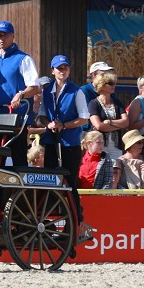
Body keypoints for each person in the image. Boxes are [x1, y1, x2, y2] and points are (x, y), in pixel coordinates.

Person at [35, 55, 90, 234]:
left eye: (65, 67)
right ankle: (47, 218)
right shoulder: (47, 90)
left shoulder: (76, 91)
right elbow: (42, 115)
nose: (62, 70)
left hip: (70, 142)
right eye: (59, 68)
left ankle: (76, 220)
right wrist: (48, 124)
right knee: (51, 180)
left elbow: (84, 118)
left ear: (69, 70)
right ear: (52, 71)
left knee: (70, 181)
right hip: (51, 140)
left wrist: (64, 126)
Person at [0, 20, 40, 166]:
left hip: (16, 118)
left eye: (5, 35)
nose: (1, 39)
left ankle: (22, 188)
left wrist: (21, 94)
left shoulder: (24, 59)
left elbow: (34, 87)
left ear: (12, 36)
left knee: (18, 159)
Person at [87, 70, 128, 161]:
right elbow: (98, 126)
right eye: (110, 83)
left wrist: (109, 122)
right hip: (100, 147)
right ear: (101, 85)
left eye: (114, 83)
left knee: (116, 172)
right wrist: (118, 125)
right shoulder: (93, 104)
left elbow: (126, 122)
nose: (114, 86)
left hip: (117, 147)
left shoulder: (117, 102)